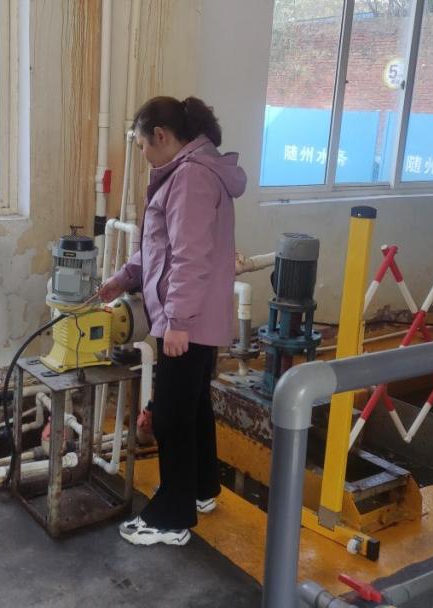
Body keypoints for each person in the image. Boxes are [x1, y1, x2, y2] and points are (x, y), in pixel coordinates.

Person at [97, 95, 246, 546]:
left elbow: (188, 256)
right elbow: (160, 247)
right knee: (193, 407)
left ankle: (171, 518)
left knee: (172, 418)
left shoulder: (190, 178)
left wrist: (177, 320)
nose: (143, 154)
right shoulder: (190, 171)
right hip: (195, 317)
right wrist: (123, 279)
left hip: (186, 321)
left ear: (160, 136)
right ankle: (201, 488)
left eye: (142, 145)